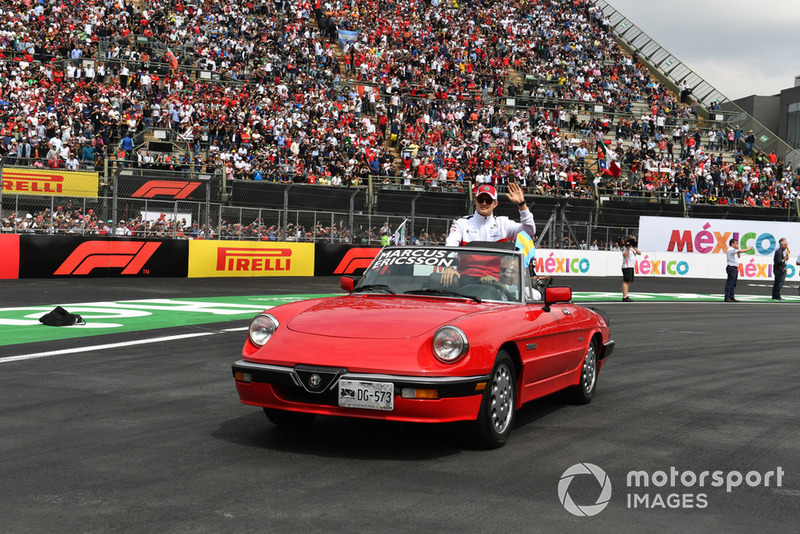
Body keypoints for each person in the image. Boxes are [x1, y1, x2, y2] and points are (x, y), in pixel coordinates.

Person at [441, 182, 535, 287]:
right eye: (481, 200)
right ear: (476, 201)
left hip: (496, 281)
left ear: (495, 204)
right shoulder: (461, 223)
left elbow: (529, 231)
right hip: (465, 279)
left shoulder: (503, 223)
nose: (484, 203)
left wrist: (522, 205)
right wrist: (448, 267)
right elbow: (450, 245)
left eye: (488, 200)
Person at [621, 235, 641, 302]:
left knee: (628, 282)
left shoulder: (633, 248)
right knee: (626, 281)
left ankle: (626, 295)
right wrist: (628, 248)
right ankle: (624, 296)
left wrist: (634, 247)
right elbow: (625, 256)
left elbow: (639, 253)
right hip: (627, 266)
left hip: (631, 266)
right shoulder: (625, 247)